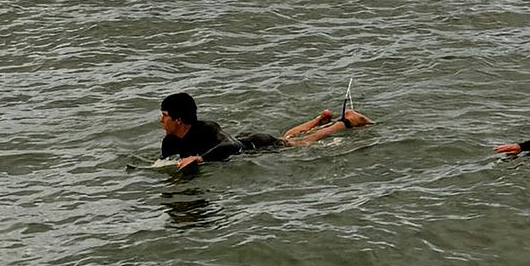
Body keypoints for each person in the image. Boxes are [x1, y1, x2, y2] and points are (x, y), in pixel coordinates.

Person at [159, 91, 373, 171]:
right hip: (248, 141)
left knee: (300, 142)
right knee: (289, 136)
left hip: (257, 144)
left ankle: (346, 121)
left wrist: (200, 159)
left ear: (178, 120)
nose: (161, 120)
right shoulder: (169, 142)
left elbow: (231, 146)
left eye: (164, 115)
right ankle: (319, 119)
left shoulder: (206, 128)